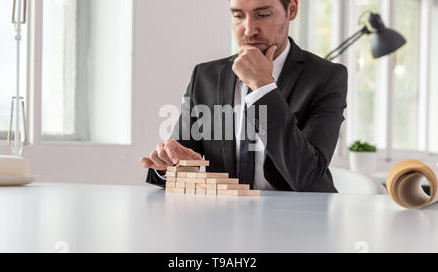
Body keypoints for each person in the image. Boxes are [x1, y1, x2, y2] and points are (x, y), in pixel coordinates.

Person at [140, 0, 348, 193]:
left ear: (291, 10)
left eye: (263, 14)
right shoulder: (205, 77)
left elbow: (307, 177)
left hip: (300, 220)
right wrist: (169, 166)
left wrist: (262, 87)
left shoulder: (326, 78)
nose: (249, 30)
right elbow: (179, 159)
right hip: (224, 218)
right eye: (238, 16)